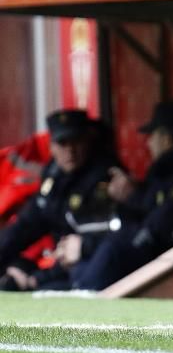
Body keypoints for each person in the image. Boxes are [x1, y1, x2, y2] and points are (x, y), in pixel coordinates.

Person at [71, 100, 173, 290]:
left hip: (171, 258)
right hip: (152, 253)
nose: (148, 143)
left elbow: (154, 228)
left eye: (152, 135)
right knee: (78, 268)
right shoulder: (163, 173)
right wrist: (132, 196)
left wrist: (131, 197)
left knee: (111, 251)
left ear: (167, 139)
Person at [0, 110, 117, 292]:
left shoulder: (105, 176)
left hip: (90, 268)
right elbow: (24, 227)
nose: (70, 149)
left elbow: (107, 239)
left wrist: (34, 280)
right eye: (63, 143)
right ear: (52, 146)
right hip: (62, 264)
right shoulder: (54, 178)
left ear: (87, 142)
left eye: (76, 141)